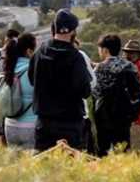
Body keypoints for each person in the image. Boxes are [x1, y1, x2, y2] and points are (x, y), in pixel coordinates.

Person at [28, 10, 93, 151]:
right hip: (70, 125)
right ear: (72, 31)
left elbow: (32, 80)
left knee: (44, 167)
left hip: (44, 123)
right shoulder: (76, 57)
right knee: (71, 169)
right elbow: (85, 91)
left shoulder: (39, 53)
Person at [92, 34, 140, 156]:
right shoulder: (130, 66)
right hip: (124, 118)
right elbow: (137, 93)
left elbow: (95, 92)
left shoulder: (100, 68)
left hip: (104, 118)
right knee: (123, 151)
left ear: (105, 50)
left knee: (103, 153)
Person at [2, 32, 38, 149]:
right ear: (29, 51)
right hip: (30, 125)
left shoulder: (10, 69)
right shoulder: (34, 70)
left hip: (10, 125)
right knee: (32, 165)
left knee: (14, 166)